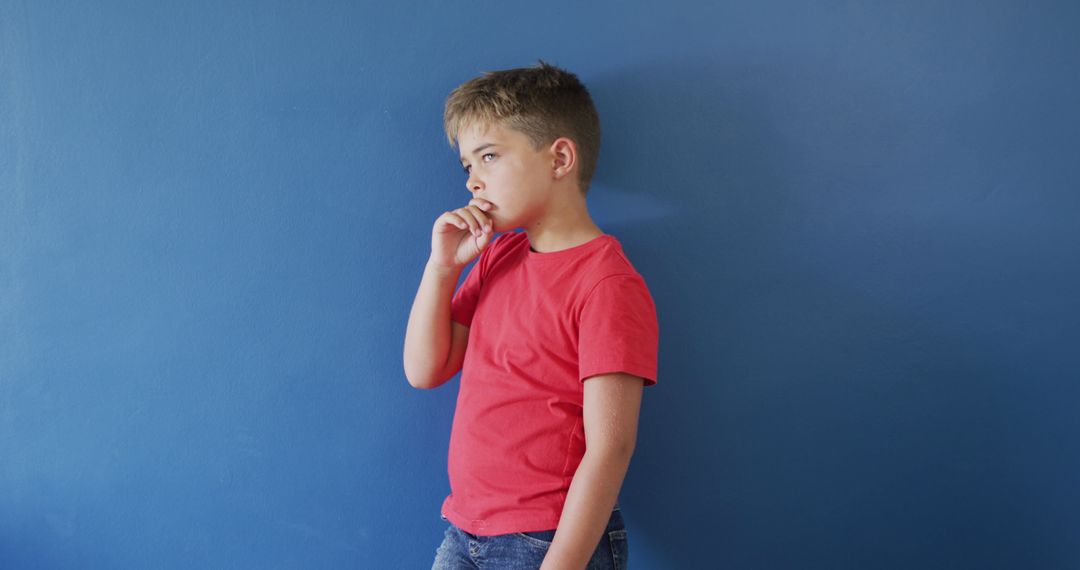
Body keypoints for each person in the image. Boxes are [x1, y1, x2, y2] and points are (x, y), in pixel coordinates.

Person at [403, 60, 659, 570]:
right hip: (464, 528)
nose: (473, 181)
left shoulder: (607, 284)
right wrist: (441, 269)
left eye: (489, 157)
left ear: (559, 157)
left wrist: (560, 563)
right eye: (467, 167)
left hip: (545, 541)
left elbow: (611, 448)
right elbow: (424, 371)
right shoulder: (499, 257)